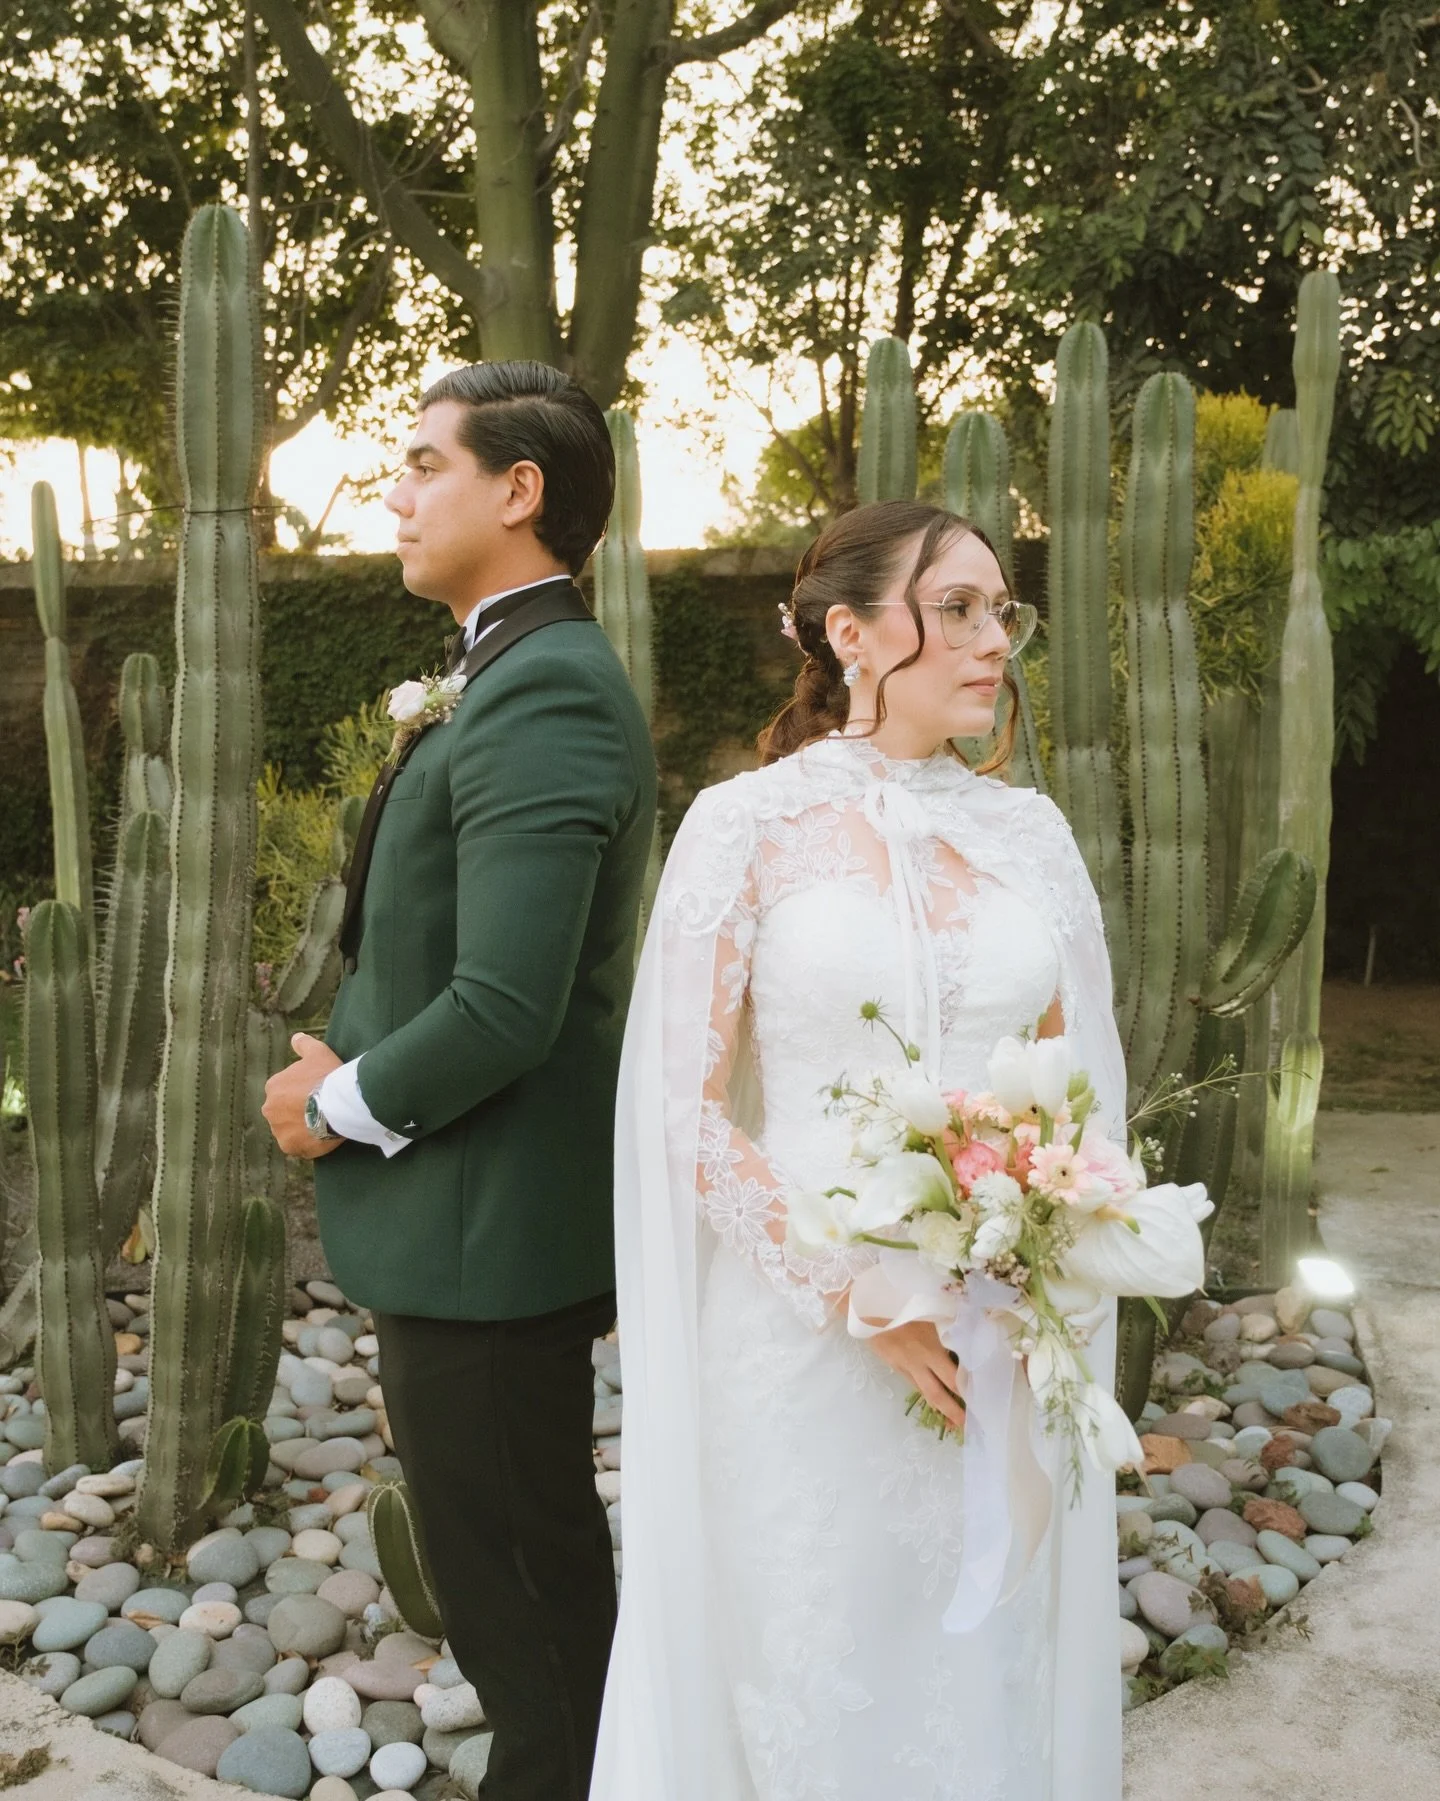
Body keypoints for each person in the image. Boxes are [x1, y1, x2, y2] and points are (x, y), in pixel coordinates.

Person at [591, 501, 1127, 1801]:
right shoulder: (745, 826)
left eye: (1004, 612)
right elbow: (677, 1102)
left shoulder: (1032, 835)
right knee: (808, 1670)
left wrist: (1032, 1253)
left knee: (982, 1672)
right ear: (850, 632)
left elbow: (1073, 1094)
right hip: (795, 1341)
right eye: (958, 609)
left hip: (993, 1332)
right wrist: (856, 1290)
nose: (993, 640)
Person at [263, 359, 658, 1801]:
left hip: (489, 1230)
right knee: (512, 1560)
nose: (396, 493)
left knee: (519, 1583)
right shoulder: (504, 669)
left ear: (519, 490)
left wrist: (332, 1106)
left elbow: (504, 1004)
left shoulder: (544, 691)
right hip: (462, 1220)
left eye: (425, 463)